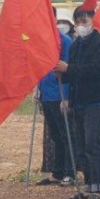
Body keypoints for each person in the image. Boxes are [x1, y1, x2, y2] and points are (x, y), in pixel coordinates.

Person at [61, 6, 100, 199]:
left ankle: (99, 188)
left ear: (93, 22)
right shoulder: (76, 46)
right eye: (78, 21)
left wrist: (69, 68)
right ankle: (88, 185)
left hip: (98, 99)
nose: (81, 25)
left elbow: (97, 69)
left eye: (85, 21)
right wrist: (62, 73)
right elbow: (72, 73)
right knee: (82, 144)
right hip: (79, 100)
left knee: (94, 142)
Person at [34, 17, 73, 186]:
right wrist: (38, 88)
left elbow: (67, 70)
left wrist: (66, 96)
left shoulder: (65, 41)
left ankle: (70, 172)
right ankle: (57, 172)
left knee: (67, 135)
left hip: (60, 94)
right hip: (47, 94)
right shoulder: (42, 42)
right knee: (55, 136)